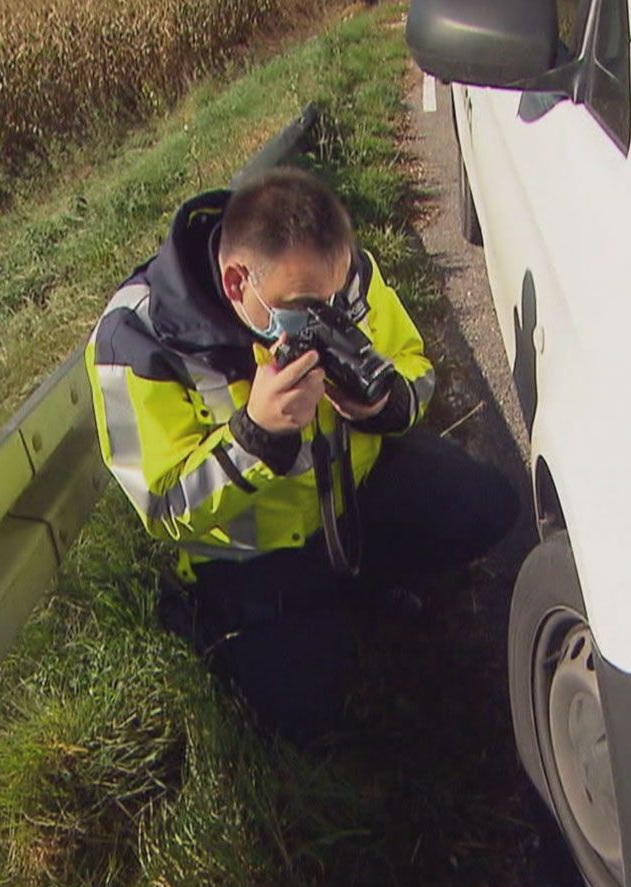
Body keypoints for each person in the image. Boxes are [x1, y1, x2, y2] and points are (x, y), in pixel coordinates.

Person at [81, 166, 517, 746]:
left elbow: (414, 365)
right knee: (309, 719)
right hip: (253, 559)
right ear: (239, 284)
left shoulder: (341, 273)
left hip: (355, 498)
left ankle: (364, 582)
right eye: (305, 307)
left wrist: (384, 405)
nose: (327, 316)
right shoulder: (134, 341)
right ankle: (263, 625)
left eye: (335, 300)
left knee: (489, 506)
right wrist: (255, 436)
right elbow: (163, 505)